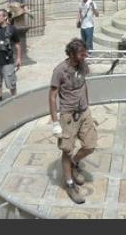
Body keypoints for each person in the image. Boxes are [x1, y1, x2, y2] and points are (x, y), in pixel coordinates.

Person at [49, 38, 97, 205]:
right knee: (67, 150)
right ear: (70, 54)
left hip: (83, 112)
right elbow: (52, 96)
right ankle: (70, 184)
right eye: (80, 53)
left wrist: (88, 108)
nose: (84, 56)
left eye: (84, 52)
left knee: (90, 146)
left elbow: (84, 85)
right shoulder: (59, 71)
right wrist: (55, 122)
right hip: (68, 116)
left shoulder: (83, 65)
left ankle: (74, 163)